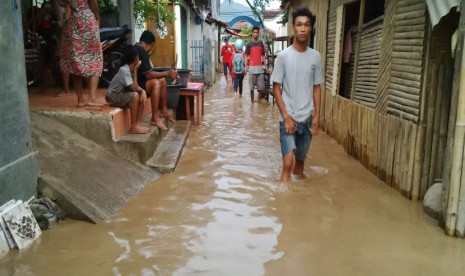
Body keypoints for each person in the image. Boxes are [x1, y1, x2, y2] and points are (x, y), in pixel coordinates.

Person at [270, 7, 323, 183]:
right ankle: (284, 204)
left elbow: (316, 87)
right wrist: (285, 117)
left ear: (310, 28)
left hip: (306, 118)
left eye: (306, 25)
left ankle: (299, 199)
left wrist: (317, 115)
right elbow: (276, 88)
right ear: (293, 27)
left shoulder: (315, 57)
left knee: (299, 163)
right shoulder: (283, 57)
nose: (302, 28)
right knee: (288, 162)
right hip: (288, 118)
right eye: (299, 24)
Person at [60, 0, 103, 106]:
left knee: (75, 61)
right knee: (95, 58)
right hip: (86, 20)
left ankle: (81, 99)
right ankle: (92, 98)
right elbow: (93, 2)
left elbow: (61, 3)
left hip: (71, 23)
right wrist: (97, 16)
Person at [135, 30, 177, 130]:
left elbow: (147, 72)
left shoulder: (137, 47)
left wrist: (164, 75)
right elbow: (149, 75)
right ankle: (154, 118)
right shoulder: (142, 51)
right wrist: (167, 73)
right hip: (134, 84)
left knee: (162, 80)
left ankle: (164, 111)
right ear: (151, 44)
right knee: (156, 83)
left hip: (135, 81)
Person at [105, 45, 148, 134]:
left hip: (120, 95)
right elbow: (133, 89)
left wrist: (143, 91)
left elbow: (136, 87)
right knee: (135, 95)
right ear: (136, 59)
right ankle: (134, 126)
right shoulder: (124, 70)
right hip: (112, 97)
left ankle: (137, 124)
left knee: (140, 95)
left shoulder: (129, 70)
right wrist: (136, 71)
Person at [245, 26, 265, 103]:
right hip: (252, 68)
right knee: (251, 88)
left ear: (258, 33)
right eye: (254, 32)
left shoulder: (261, 43)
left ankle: (259, 102)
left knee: (260, 89)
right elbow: (246, 56)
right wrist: (246, 66)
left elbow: (263, 55)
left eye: (257, 32)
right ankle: (252, 103)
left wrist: (265, 66)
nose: (255, 34)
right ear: (252, 33)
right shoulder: (249, 44)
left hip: (260, 68)